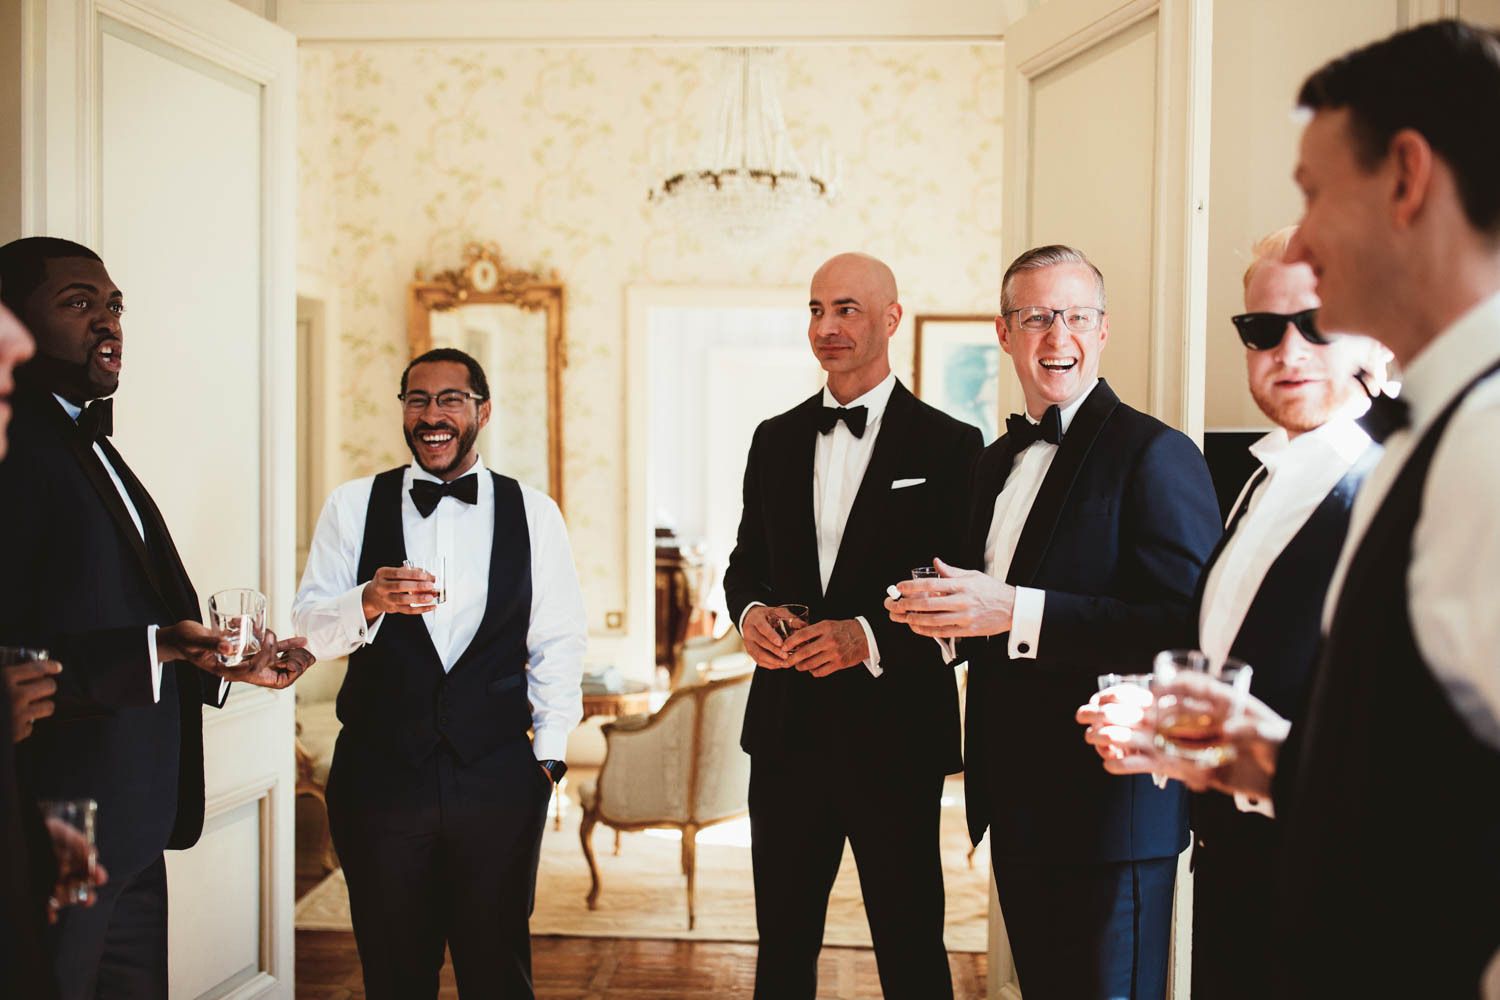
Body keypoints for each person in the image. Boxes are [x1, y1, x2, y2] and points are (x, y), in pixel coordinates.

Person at [1080, 21, 1500, 997]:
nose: (1302, 239)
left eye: (1314, 193)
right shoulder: (1427, 435)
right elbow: (1426, 767)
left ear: (1407, 177)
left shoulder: (1484, 445)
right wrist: (1262, 754)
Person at [887, 245, 1222, 999]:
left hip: (1113, 811)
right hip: (1015, 800)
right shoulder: (993, 463)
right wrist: (941, 619)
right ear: (1004, 333)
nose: (1057, 336)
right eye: (1037, 317)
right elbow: (989, 617)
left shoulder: (1155, 453)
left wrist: (1013, 609)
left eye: (1074, 316)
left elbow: (1188, 625)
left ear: (1103, 330)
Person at [0, 236, 315, 1000]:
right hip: (63, 823)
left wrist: (215, 659)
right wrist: (157, 646)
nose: (108, 322)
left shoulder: (91, 443)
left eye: (114, 305)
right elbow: (18, 647)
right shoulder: (14, 450)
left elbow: (133, 608)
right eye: (79, 303)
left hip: (139, 815)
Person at [723, 252, 982, 999]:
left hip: (896, 738)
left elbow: (962, 598)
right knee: (782, 949)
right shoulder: (773, 438)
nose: (826, 327)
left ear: (891, 319)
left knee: (911, 947)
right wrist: (751, 614)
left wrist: (864, 637)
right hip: (785, 733)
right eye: (816, 309)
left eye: (847, 309)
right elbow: (746, 564)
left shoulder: (951, 446)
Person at [292, 347, 587, 999]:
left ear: (483, 410)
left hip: (498, 779)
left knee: (498, 973)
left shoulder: (534, 512)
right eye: (417, 399)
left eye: (451, 399)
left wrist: (549, 759)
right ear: (403, 410)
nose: (432, 415)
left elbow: (558, 642)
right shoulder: (351, 505)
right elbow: (309, 631)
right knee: (394, 974)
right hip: (378, 779)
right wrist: (367, 600)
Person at [1177, 227, 1386, 998]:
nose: (1288, 351)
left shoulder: (1398, 490)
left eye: (1317, 324)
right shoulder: (1260, 477)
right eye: (1263, 329)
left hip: (1339, 898)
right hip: (1230, 871)